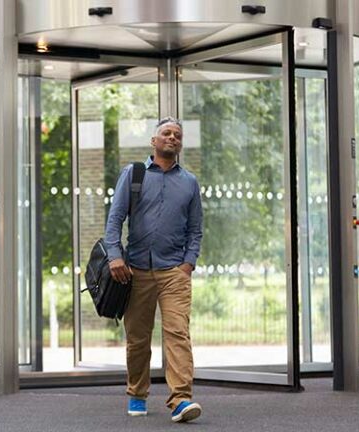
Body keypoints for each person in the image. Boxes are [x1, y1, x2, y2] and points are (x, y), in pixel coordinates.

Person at [104, 117, 203, 423]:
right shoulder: (133, 175)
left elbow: (195, 230)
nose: (172, 138)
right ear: (154, 141)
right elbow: (115, 218)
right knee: (138, 338)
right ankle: (136, 393)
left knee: (178, 334)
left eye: (177, 135)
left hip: (174, 271)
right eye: (166, 133)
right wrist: (114, 256)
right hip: (135, 271)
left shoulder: (189, 182)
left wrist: (188, 263)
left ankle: (180, 399)